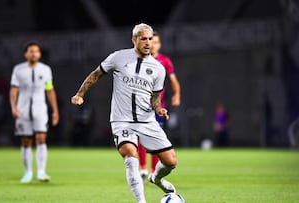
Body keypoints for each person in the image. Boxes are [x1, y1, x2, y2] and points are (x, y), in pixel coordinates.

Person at [71, 23, 178, 203]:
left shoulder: (158, 68)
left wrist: (159, 108)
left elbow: (156, 96)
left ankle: (156, 178)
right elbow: (96, 74)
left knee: (171, 162)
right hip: (122, 121)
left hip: (147, 121)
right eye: (143, 38)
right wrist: (80, 94)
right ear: (134, 40)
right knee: (130, 154)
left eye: (150, 39)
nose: (147, 43)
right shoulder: (119, 57)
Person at [10, 41, 59, 183]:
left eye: (36, 51)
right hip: (23, 109)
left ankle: (42, 172)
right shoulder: (18, 70)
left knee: (41, 138)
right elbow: (14, 90)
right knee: (26, 141)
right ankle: (27, 173)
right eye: (31, 51)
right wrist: (14, 108)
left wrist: (55, 111)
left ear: (39, 54)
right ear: (26, 54)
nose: (33, 54)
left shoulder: (45, 69)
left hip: (40, 108)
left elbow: (50, 90)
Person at [138, 31, 181, 181]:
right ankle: (142, 168)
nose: (152, 44)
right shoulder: (140, 60)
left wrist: (177, 94)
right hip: (141, 106)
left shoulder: (165, 61)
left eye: (155, 42)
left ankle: (152, 170)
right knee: (140, 138)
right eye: (150, 41)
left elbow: (173, 80)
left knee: (155, 139)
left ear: (159, 44)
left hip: (157, 107)